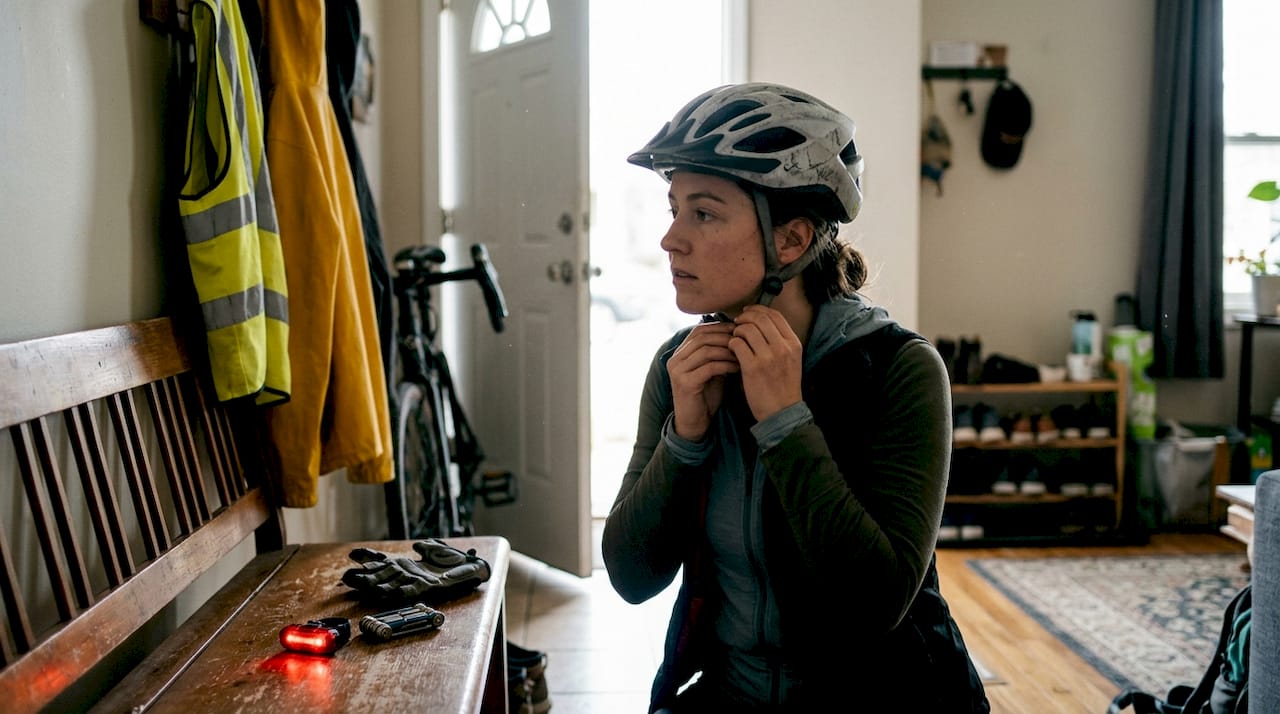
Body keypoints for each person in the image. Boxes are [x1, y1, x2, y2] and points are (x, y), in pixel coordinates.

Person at [601, 82, 990, 713]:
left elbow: (876, 605)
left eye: (703, 213)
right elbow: (630, 577)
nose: (672, 239)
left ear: (790, 240)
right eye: (673, 209)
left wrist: (786, 420)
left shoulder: (901, 370)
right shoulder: (681, 369)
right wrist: (685, 439)